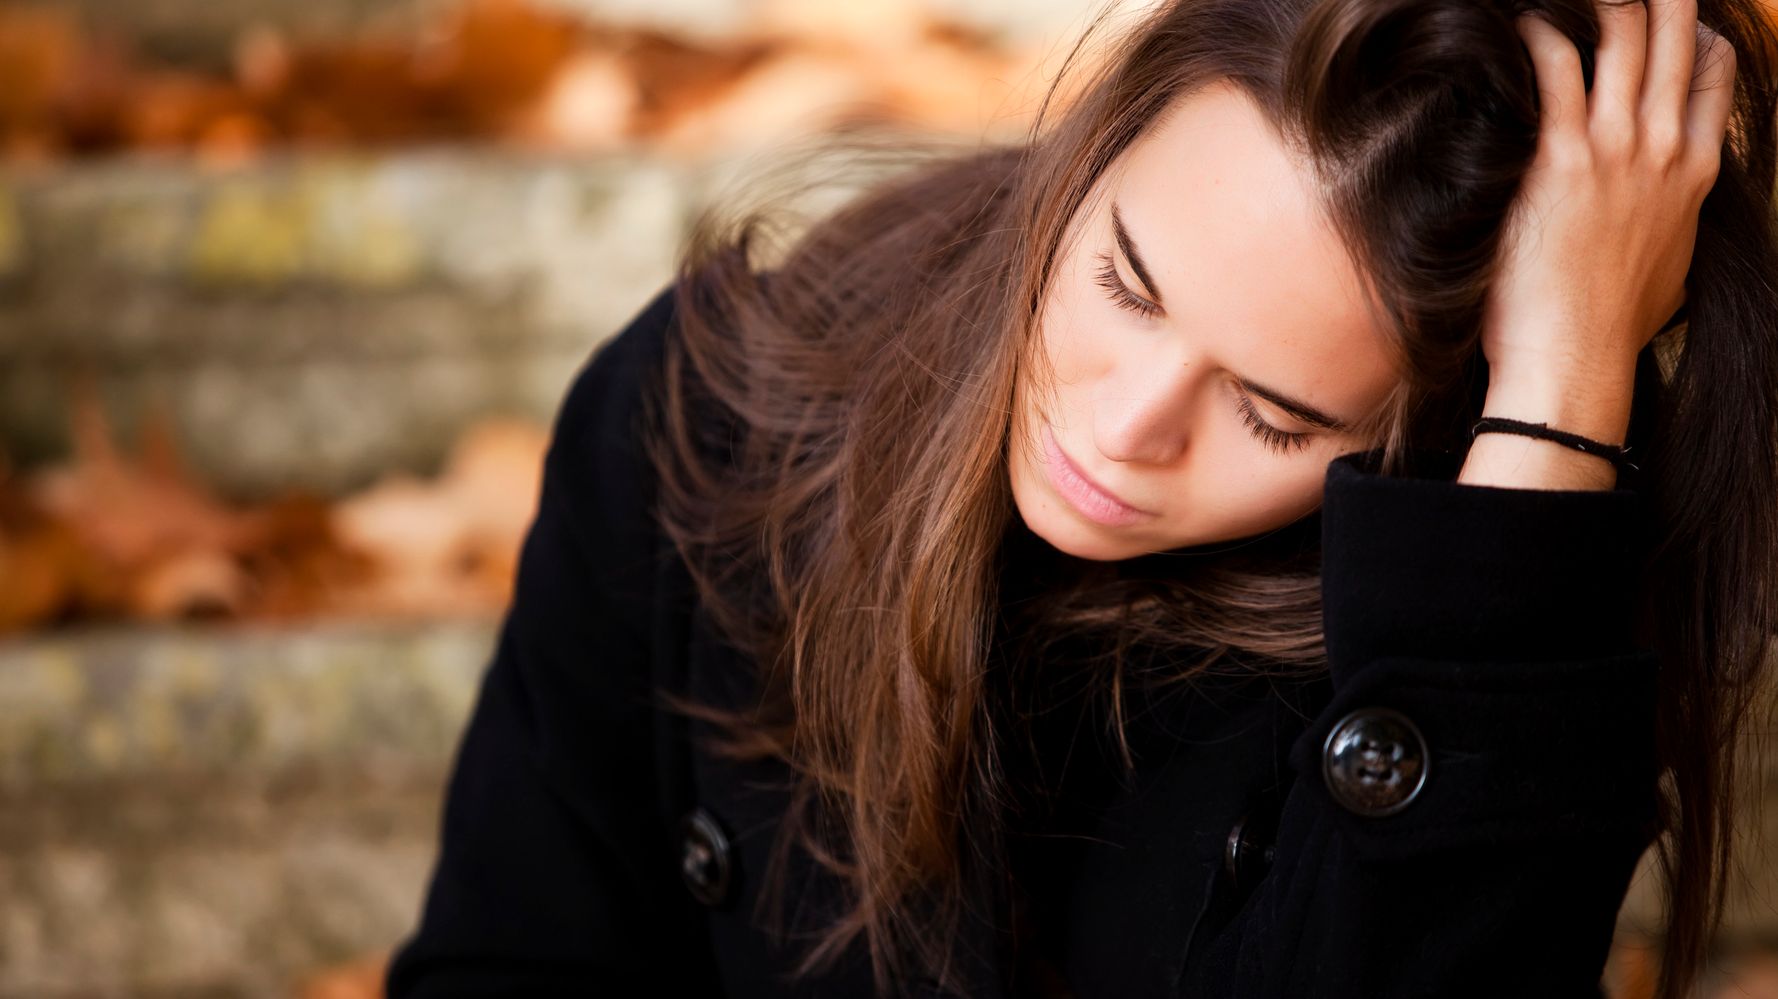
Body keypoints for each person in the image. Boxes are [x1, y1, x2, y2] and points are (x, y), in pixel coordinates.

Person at [384, 0, 1778, 996]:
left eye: (1270, 412)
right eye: (1122, 281)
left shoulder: (1478, 623)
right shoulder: (712, 420)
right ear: (1094, 149)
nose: (1121, 431)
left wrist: (1557, 397)